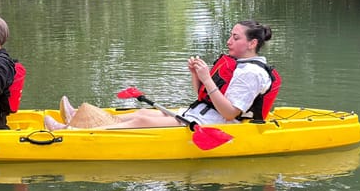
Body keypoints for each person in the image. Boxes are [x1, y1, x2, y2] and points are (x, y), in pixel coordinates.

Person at [45, 20, 278, 130]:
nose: (229, 41)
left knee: (143, 121)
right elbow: (205, 96)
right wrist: (196, 76)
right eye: (231, 35)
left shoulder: (252, 73)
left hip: (220, 125)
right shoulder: (239, 65)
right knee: (144, 112)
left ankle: (72, 133)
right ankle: (79, 117)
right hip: (203, 114)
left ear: (252, 43)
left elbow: (229, 113)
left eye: (236, 38)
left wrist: (207, 78)